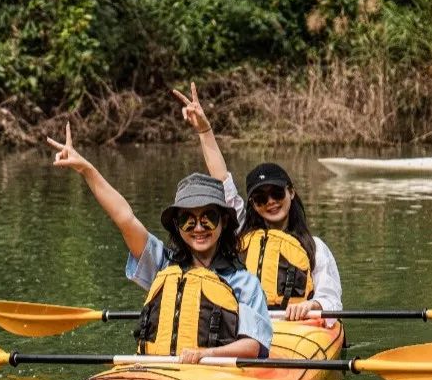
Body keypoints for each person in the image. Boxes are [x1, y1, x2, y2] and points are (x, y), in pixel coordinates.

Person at [47, 123, 272, 363]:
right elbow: (125, 218)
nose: (198, 228)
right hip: (159, 372)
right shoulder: (162, 265)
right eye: (188, 220)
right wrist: (87, 169)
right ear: (177, 225)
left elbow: (253, 346)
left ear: (224, 222)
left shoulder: (243, 282)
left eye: (208, 218)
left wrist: (205, 354)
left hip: (213, 376)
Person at [172, 83, 342, 323]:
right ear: (253, 203)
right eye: (261, 198)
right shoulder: (240, 232)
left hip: (294, 330)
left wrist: (311, 304)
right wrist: (204, 130)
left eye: (277, 194)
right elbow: (221, 179)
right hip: (244, 327)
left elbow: (331, 299)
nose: (271, 202)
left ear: (291, 192)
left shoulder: (314, 247)